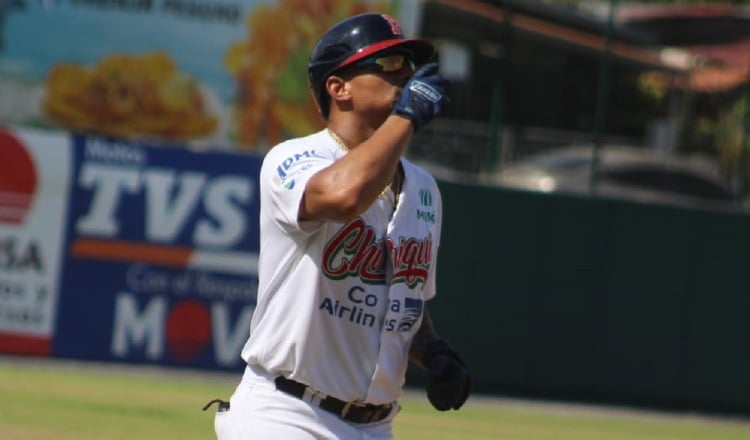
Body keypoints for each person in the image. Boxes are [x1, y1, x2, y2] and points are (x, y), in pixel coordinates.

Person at [209, 12, 471, 440]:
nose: (406, 73)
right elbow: (345, 196)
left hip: (376, 425)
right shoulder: (293, 159)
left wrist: (432, 349)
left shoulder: (424, 190)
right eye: (388, 64)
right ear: (338, 87)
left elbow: (405, 300)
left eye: (409, 63)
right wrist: (406, 117)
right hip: (286, 414)